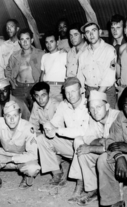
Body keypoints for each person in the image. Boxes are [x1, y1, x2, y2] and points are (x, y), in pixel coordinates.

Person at [37, 77, 91, 186]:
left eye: (73, 91)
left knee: (79, 140)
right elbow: (55, 123)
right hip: (71, 147)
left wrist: (57, 130)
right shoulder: (63, 105)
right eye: (67, 92)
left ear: (81, 91)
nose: (70, 95)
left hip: (87, 148)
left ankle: (80, 183)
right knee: (42, 139)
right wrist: (48, 128)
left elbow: (83, 131)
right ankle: (57, 173)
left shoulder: (88, 105)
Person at [68, 90, 119, 204]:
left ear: (107, 106)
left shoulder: (116, 117)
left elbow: (115, 147)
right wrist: (101, 141)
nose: (95, 111)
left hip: (120, 157)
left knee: (99, 155)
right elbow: (88, 138)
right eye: (92, 108)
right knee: (82, 151)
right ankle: (93, 190)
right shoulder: (94, 117)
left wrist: (92, 147)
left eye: (98, 107)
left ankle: (112, 194)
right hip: (107, 151)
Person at [97, 87, 127, 207]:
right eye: (126, 104)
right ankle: (113, 202)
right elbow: (111, 140)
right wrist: (119, 156)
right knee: (104, 159)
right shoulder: (122, 117)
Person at [0, 100, 40, 189]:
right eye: (8, 116)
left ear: (20, 116)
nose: (12, 119)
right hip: (4, 153)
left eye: (15, 115)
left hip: (22, 157)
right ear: (4, 117)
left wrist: (9, 159)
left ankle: (27, 177)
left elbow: (33, 154)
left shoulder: (29, 128)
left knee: (32, 168)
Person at [79, 21, 117, 109]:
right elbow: (80, 77)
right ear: (85, 36)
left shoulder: (109, 50)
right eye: (88, 32)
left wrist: (95, 97)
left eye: (94, 30)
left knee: (108, 120)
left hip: (106, 92)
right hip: (89, 91)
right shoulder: (83, 55)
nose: (91, 34)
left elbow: (109, 78)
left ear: (100, 32)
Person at [5, 28, 44, 110]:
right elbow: (8, 70)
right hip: (18, 88)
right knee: (20, 113)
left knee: (36, 113)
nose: (25, 42)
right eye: (22, 39)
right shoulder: (14, 55)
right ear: (19, 42)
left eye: (27, 39)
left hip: (34, 87)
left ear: (32, 40)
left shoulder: (41, 54)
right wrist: (11, 80)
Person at [40, 31, 67, 101]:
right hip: (46, 88)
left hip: (59, 88)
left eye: (51, 41)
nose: (49, 45)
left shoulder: (64, 55)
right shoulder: (44, 56)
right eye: (46, 42)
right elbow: (42, 74)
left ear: (57, 42)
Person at [67, 22, 87, 91]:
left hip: (83, 89)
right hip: (70, 87)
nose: (72, 38)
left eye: (75, 35)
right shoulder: (70, 52)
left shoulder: (88, 51)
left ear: (82, 35)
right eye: (71, 35)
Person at [116, 18, 127, 100]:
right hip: (123, 88)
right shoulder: (122, 48)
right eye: (126, 27)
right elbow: (118, 64)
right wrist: (119, 77)